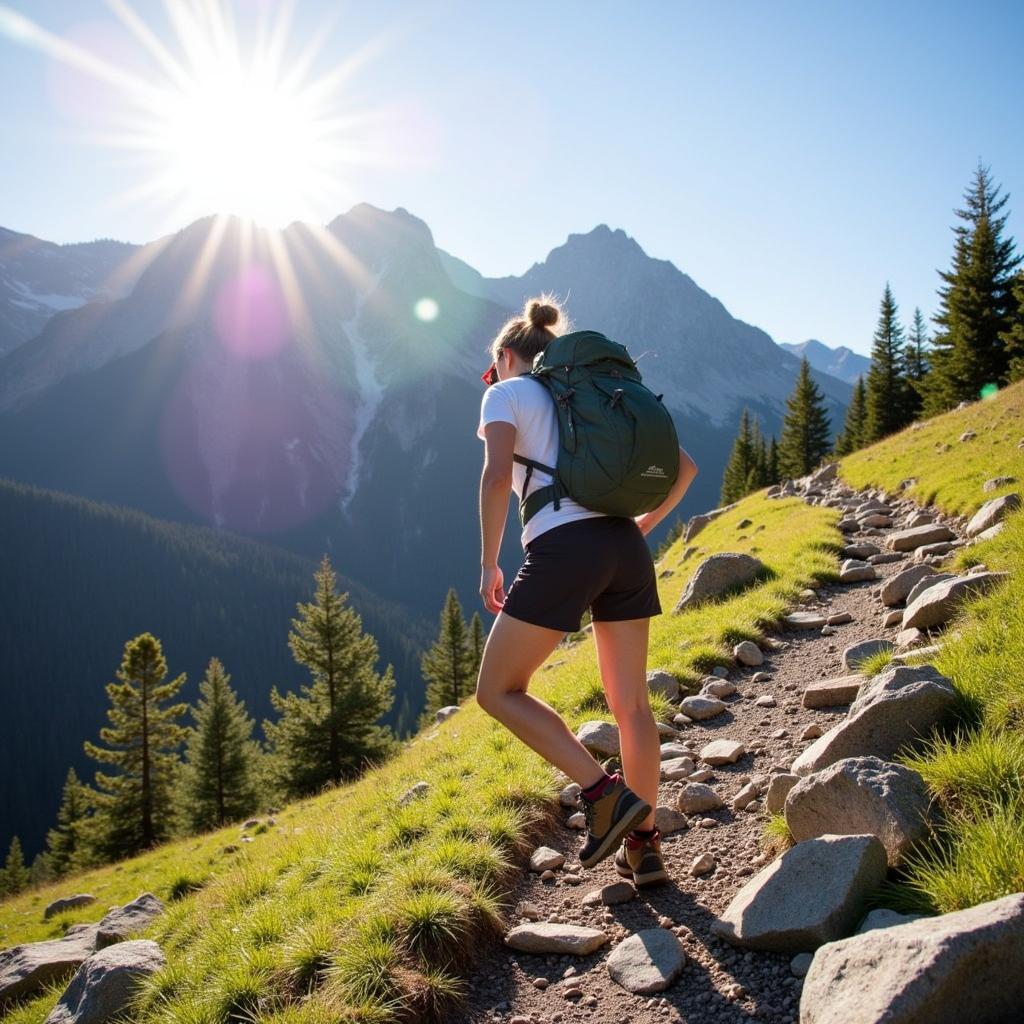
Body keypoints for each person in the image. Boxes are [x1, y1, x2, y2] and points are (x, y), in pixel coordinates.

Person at [474, 294, 698, 886]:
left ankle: (604, 794)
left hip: (563, 550)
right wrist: (644, 525)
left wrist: (489, 564)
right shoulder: (593, 395)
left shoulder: (505, 392)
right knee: (631, 706)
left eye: (493, 366)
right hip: (625, 549)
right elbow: (686, 466)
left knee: (497, 690)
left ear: (504, 356)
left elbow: (498, 477)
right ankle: (644, 847)